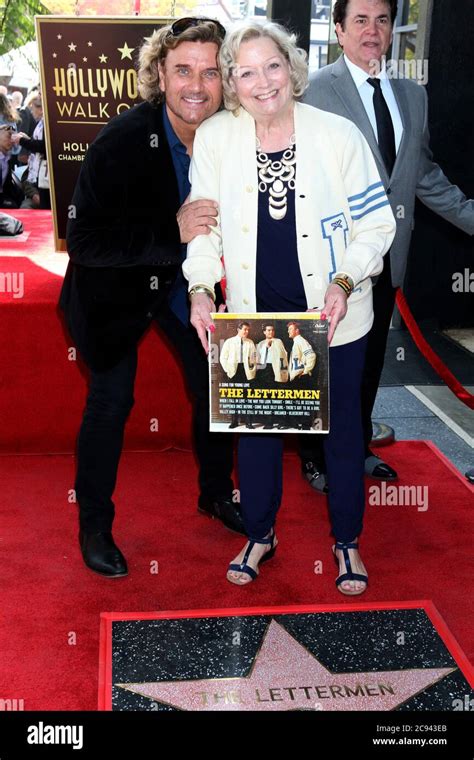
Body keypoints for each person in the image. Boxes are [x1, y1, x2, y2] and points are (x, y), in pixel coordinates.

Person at [184, 20, 396, 594]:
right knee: (253, 434)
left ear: (292, 67)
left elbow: (377, 223)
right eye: (246, 71)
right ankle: (260, 533)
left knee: (342, 434)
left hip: (335, 316)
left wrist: (346, 280)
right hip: (252, 317)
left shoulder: (339, 134)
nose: (262, 82)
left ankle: (347, 542)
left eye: (272, 66)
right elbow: (203, 230)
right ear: (231, 80)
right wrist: (201, 287)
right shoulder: (215, 138)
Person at [59, 18, 245, 579]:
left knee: (217, 386)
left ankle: (216, 493)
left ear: (227, 79)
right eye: (183, 69)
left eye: (211, 71)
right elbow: (86, 242)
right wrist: (173, 232)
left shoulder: (234, 134)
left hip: (192, 283)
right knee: (111, 402)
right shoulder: (120, 141)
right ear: (160, 74)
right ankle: (94, 523)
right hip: (113, 292)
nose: (197, 84)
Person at [302, 0, 474, 489]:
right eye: (360, 20)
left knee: (369, 363)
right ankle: (315, 458)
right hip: (329, 263)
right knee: (324, 366)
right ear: (339, 29)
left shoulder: (411, 95)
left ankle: (354, 449)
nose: (372, 31)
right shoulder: (311, 92)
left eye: (382, 20)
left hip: (386, 261)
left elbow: (424, 177)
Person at [220, 321, 257, 429]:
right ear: (238, 329)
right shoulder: (229, 342)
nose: (246, 331)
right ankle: (234, 421)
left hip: (246, 372)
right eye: (244, 329)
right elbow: (223, 357)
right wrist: (228, 370)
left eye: (248, 330)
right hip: (234, 371)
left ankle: (248, 422)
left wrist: (252, 370)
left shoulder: (250, 342)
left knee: (247, 398)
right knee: (234, 397)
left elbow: (254, 358)